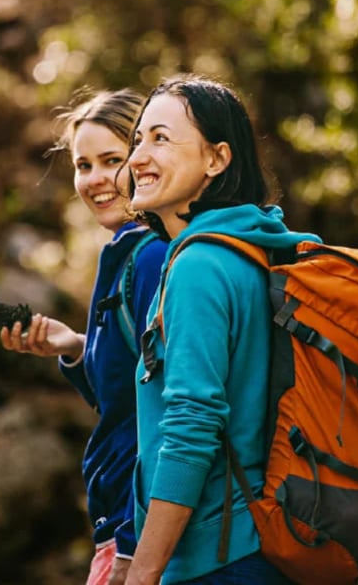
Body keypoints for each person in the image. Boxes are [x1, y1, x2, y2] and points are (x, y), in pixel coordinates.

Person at [124, 75, 318, 585]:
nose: (137, 158)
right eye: (138, 139)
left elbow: (192, 426)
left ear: (217, 159)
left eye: (160, 139)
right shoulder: (253, 250)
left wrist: (143, 572)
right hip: (263, 543)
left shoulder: (199, 266)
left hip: (219, 557)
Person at [0, 88, 166, 585]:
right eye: (82, 164)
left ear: (145, 160)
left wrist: (137, 546)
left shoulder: (154, 258)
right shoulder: (123, 254)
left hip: (139, 530)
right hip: (122, 521)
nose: (93, 180)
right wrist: (74, 347)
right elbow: (124, 396)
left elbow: (170, 414)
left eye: (110, 160)